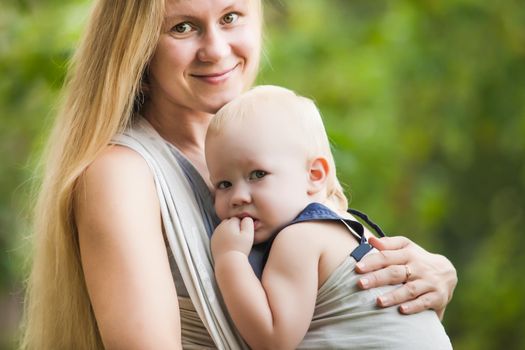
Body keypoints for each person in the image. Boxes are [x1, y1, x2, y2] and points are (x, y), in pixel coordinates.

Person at [21, 0, 457, 349]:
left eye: (230, 17)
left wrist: (426, 278)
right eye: (183, 27)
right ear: (136, 45)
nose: (215, 49)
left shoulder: (259, 140)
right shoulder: (122, 175)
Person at [207, 85, 452, 349]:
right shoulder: (347, 227)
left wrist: (229, 258)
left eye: (257, 174)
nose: (238, 197)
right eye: (223, 184)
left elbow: (272, 340)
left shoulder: (299, 239)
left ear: (315, 175)